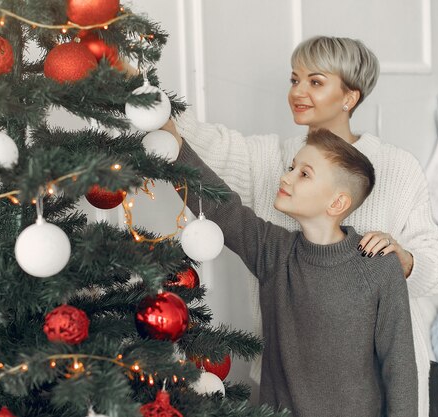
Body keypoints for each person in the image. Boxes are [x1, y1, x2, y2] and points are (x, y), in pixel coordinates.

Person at [163, 36, 438, 416]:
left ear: (350, 96)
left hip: (381, 390)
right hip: (287, 392)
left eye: (315, 81)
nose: (298, 91)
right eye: (294, 79)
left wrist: (403, 260)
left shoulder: (397, 170)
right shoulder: (274, 222)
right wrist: (146, 102)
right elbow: (215, 189)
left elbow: (431, 282)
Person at [174, 128, 418, 416]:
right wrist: (171, 143)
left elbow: (399, 367)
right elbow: (221, 208)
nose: (286, 177)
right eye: (291, 167)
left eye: (304, 173)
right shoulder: (274, 251)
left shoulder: (379, 265)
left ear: (337, 202)